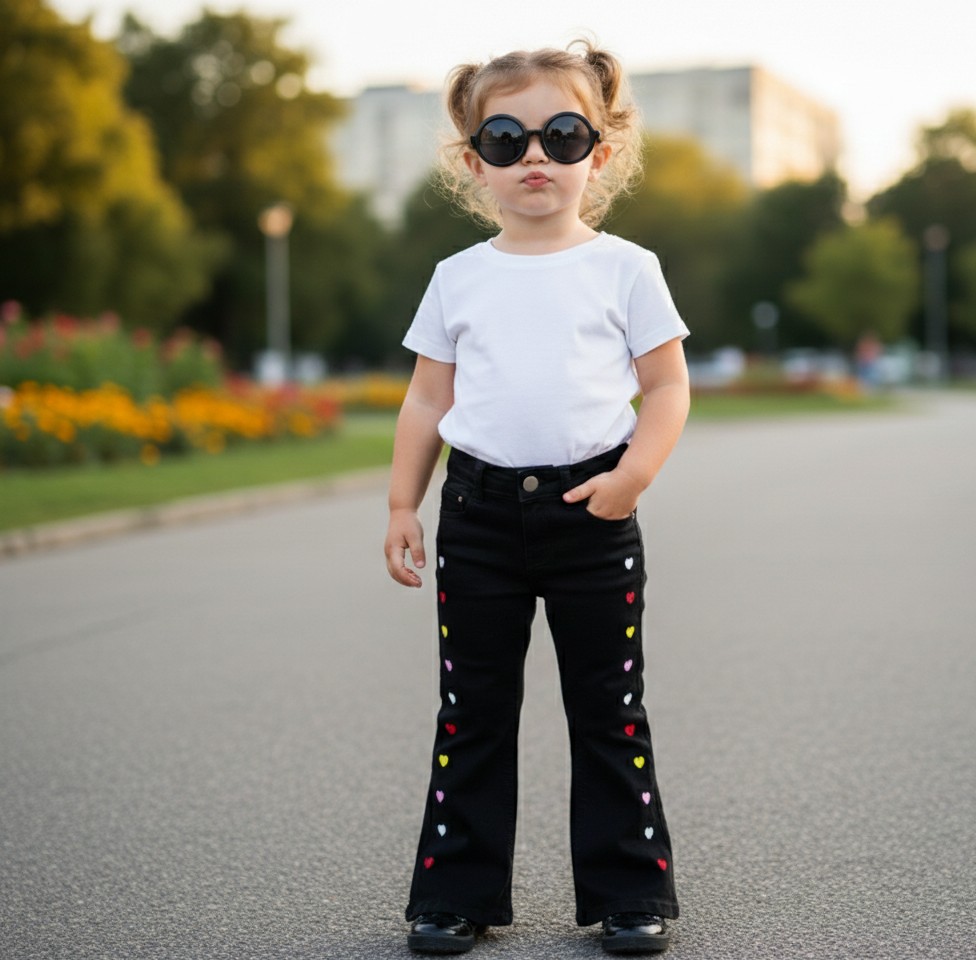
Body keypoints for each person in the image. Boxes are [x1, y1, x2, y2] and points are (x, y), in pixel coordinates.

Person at [384, 39, 690, 956]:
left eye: (561, 134)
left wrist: (633, 475)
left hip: (593, 511)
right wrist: (404, 506)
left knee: (608, 707)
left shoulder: (627, 268)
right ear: (473, 158)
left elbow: (668, 388)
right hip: (477, 517)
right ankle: (454, 893)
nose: (534, 157)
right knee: (472, 709)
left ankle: (631, 890)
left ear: (599, 151)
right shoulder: (458, 278)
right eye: (506, 137)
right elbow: (427, 400)